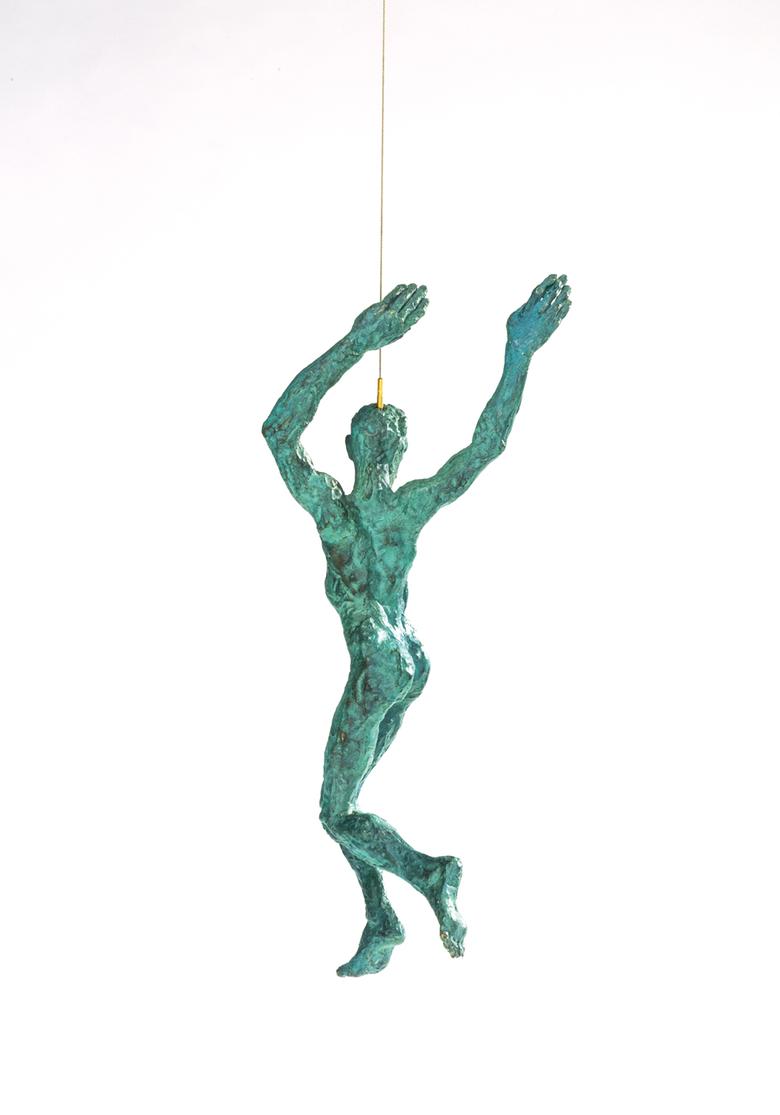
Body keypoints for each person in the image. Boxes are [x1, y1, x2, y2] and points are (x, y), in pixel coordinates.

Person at [263, 274, 571, 975]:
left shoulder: (336, 510)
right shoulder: (409, 507)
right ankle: (381, 918)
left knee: (337, 813)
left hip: (378, 660)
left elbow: (280, 431)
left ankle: (431, 876)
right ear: (396, 451)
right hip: (409, 660)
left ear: (351, 445)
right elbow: (484, 447)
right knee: (347, 807)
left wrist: (359, 342)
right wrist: (518, 353)